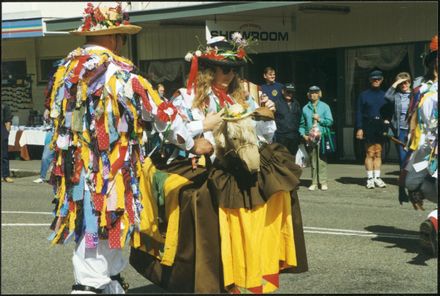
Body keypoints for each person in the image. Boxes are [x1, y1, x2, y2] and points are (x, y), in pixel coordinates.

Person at [44, 3, 211, 294]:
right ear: (113, 37)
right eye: (121, 36)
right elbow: (160, 114)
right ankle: (93, 287)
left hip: (78, 174)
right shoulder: (118, 73)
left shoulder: (65, 71)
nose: (122, 43)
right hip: (109, 176)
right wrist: (191, 140)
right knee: (101, 239)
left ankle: (101, 285)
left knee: (94, 231)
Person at [130, 33, 308, 293]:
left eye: (234, 70)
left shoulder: (241, 97)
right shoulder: (186, 96)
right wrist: (202, 127)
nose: (230, 75)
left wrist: (266, 116)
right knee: (204, 202)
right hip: (198, 162)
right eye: (225, 69)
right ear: (208, 70)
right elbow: (167, 130)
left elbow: (262, 137)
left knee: (279, 187)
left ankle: (253, 267)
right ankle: (215, 276)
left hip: (234, 164)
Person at [403, 35, 437, 257]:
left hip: (424, 152)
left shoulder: (422, 90)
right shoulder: (427, 92)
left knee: (415, 183)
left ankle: (433, 223)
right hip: (433, 152)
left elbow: (415, 129)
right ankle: (433, 222)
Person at [355, 69, 388, 189]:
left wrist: (387, 122)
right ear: (370, 80)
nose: (376, 81)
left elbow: (389, 111)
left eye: (378, 79)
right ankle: (369, 179)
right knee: (370, 153)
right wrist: (359, 128)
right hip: (368, 125)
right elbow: (359, 112)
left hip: (380, 125)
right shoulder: (363, 95)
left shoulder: (385, 95)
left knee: (378, 153)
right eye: (374, 79)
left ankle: (377, 177)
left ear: (382, 80)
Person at [299, 86, 334, 191]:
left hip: (322, 136)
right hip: (310, 138)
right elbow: (301, 124)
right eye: (311, 93)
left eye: (316, 93)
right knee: (313, 160)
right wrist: (303, 135)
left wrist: (320, 119)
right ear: (308, 95)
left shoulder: (325, 106)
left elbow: (330, 121)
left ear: (319, 94)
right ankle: (314, 182)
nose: (314, 95)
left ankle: (323, 182)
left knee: (322, 160)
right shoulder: (305, 108)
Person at [384, 72, 412, 200]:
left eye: (406, 82)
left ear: (410, 83)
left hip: (413, 131)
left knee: (414, 160)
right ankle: (402, 191)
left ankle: (413, 189)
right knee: (403, 160)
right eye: (401, 83)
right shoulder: (396, 96)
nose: (403, 85)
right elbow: (387, 96)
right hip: (400, 131)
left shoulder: (415, 95)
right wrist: (396, 82)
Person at [273, 82, 302, 156]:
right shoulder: (276, 103)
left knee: (292, 159)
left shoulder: (296, 103)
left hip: (294, 136)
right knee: (281, 159)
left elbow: (299, 119)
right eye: (288, 91)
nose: (289, 94)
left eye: (291, 92)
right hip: (281, 137)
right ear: (283, 91)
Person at [33, 108, 55, 184]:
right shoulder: (49, 108)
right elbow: (46, 124)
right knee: (45, 157)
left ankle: (57, 178)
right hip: (52, 135)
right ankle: (42, 177)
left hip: (64, 134)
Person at [1, 102, 14, 183]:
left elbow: (8, 121)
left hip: (2, 131)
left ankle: (5, 175)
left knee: (4, 155)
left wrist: (6, 133)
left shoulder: (4, 106)